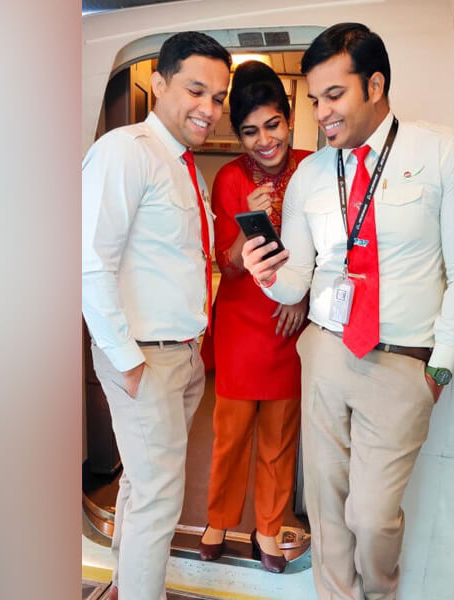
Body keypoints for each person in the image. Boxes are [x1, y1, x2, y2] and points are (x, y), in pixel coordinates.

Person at [241, 23, 454, 600]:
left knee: (372, 516)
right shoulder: (311, 175)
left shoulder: (440, 153)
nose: (322, 113)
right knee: (326, 510)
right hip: (326, 352)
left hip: (402, 362)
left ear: (375, 85)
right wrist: (267, 274)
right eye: (314, 99)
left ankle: (380, 594)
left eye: (333, 95)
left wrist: (439, 368)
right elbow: (296, 282)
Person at [81, 32, 231, 600]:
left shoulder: (182, 165)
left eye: (218, 97)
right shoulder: (126, 151)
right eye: (196, 90)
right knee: (160, 495)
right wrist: (127, 360)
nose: (209, 108)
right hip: (144, 356)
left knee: (143, 486)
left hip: (181, 355)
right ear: (161, 84)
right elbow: (90, 262)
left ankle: (126, 586)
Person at [196, 61, 312, 574]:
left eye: (272, 125)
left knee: (279, 439)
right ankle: (218, 520)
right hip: (242, 324)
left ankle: (268, 526)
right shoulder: (229, 178)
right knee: (231, 436)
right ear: (238, 136)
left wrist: (300, 299)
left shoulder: (314, 168)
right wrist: (248, 220)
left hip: (291, 327)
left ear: (290, 119)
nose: (264, 141)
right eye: (249, 131)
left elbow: (331, 253)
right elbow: (226, 263)